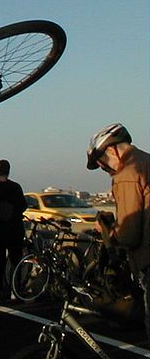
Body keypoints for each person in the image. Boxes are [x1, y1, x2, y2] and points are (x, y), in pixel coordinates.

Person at [87, 123, 150, 340]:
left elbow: (130, 235)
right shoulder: (146, 160)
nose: (104, 169)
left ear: (112, 150)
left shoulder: (127, 173)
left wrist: (108, 231)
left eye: (102, 163)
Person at [0, 159, 27, 300]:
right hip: (15, 228)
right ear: (9, 170)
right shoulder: (16, 187)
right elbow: (23, 205)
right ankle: (16, 289)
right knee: (16, 259)